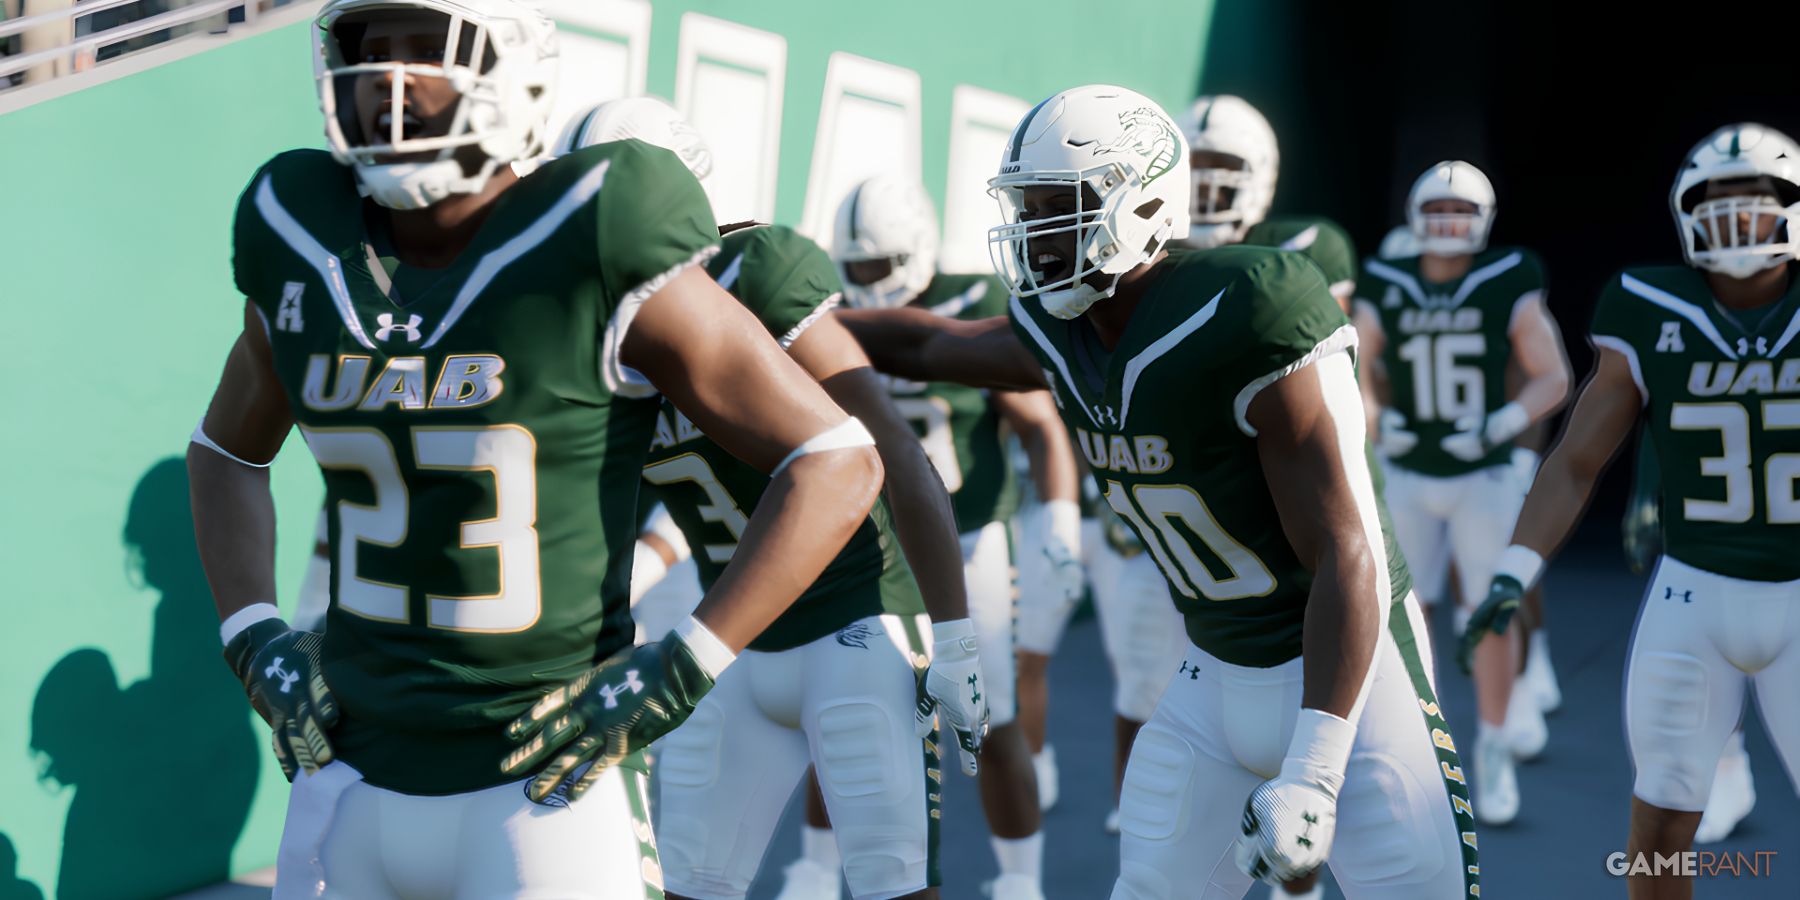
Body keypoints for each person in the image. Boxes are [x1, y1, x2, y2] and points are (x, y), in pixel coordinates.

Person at [187, 3, 886, 896]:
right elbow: (224, 452)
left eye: (426, 50)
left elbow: (835, 457)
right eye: (371, 53)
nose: (388, 84)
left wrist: (688, 660)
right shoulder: (303, 236)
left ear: (508, 62)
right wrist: (251, 634)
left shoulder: (596, 226)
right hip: (346, 776)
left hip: (544, 786)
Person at [840, 83, 1478, 899]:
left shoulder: (1249, 304)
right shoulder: (1063, 331)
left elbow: (1345, 548)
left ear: (1137, 204)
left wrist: (1316, 772)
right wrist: (773, 318)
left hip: (1347, 678)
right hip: (1209, 672)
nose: (1035, 234)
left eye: (1057, 207)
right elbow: (927, 347)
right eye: (1027, 208)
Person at [558, 96, 989, 900]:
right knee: (691, 884)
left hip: (855, 625)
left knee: (893, 886)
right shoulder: (593, 328)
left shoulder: (750, 271)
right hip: (731, 634)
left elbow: (887, 443)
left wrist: (956, 633)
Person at [1465, 122, 1800, 899]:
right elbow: (1576, 459)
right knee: (1658, 824)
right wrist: (1513, 572)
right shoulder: (1649, 304)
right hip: (1694, 595)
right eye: (1719, 200)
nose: (1738, 217)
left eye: (1758, 201)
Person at [1352, 160, 1571, 825]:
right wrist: (1377, 421)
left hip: (1483, 472)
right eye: (1437, 210)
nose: (1448, 223)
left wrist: (1501, 424)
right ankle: (1415, 750)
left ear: (1484, 220)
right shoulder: (1385, 280)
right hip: (1411, 472)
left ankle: (1495, 744)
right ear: (1415, 216)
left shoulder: (1508, 277)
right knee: (1400, 616)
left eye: (1461, 212)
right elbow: (1354, 367)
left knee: (1491, 608)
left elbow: (1552, 376)